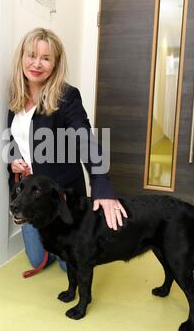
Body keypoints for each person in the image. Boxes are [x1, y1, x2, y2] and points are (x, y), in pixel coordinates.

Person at [7, 27, 127, 273]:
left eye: (46, 58)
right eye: (31, 55)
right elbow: (14, 140)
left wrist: (101, 183)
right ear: (21, 57)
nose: (37, 64)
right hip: (31, 193)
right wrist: (13, 160)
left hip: (59, 195)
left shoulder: (66, 97)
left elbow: (84, 138)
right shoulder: (15, 98)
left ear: (55, 64)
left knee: (68, 265)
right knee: (36, 259)